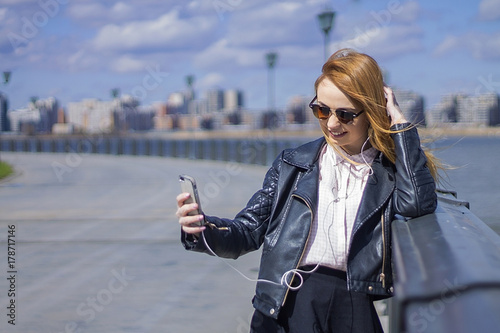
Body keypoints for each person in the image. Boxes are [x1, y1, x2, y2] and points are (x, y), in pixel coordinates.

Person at [176, 48, 438, 333]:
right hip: (284, 306)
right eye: (322, 110)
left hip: (352, 308)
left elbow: (417, 203)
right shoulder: (292, 164)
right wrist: (203, 230)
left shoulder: (388, 172)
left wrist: (399, 123)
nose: (332, 123)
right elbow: (248, 231)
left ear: (372, 111)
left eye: (346, 115)